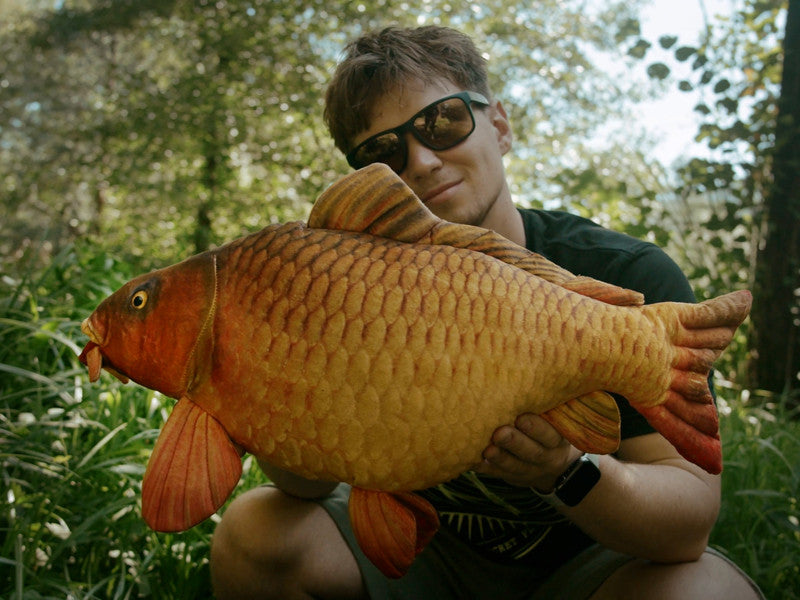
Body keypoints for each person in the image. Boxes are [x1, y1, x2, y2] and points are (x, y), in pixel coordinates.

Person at [210, 25, 763, 599]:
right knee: (254, 534)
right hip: (427, 557)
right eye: (383, 152)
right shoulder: (342, 293)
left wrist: (564, 470)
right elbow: (308, 485)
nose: (421, 161)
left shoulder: (629, 279)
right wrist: (252, 386)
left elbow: (687, 527)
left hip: (596, 566)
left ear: (498, 126)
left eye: (442, 122)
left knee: (704, 590)